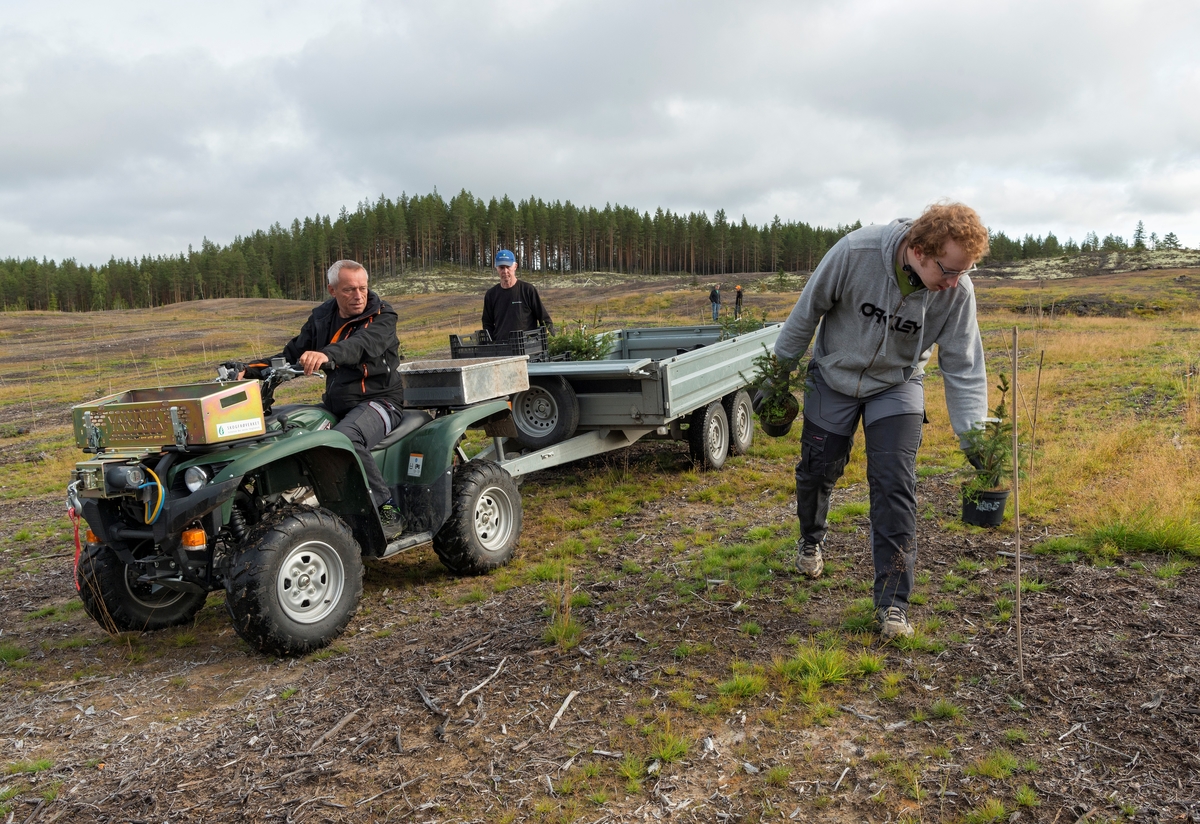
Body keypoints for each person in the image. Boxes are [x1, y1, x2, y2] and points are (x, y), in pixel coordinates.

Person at [766, 202, 990, 641]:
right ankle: (811, 537)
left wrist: (974, 440)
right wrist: (775, 380)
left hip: (898, 381)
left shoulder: (956, 293)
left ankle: (893, 604)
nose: (953, 283)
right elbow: (805, 313)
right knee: (819, 467)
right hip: (834, 374)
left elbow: (963, 366)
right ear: (919, 250)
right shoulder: (856, 252)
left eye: (962, 273)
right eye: (948, 271)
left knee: (894, 484)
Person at [243, 260, 406, 518]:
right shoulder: (322, 316)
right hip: (337, 404)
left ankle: (387, 510)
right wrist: (249, 369)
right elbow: (292, 353)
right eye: (349, 290)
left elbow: (360, 345)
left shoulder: (383, 316)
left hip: (380, 401)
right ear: (332, 290)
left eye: (363, 288)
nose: (358, 296)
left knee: (344, 440)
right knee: (281, 430)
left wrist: (325, 355)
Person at [481, 249, 554, 343]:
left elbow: (545, 320)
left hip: (527, 348)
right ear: (496, 268)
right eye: (501, 267)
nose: (505, 271)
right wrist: (492, 345)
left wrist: (550, 343)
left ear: (515, 266)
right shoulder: (491, 294)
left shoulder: (528, 290)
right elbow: (487, 324)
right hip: (502, 349)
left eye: (508, 267)